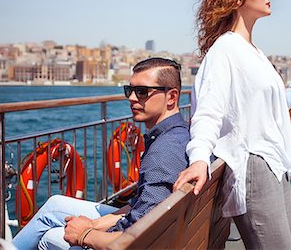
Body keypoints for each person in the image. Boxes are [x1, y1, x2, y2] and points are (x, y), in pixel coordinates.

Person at [173, 0, 291, 249]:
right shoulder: (225, 50)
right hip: (254, 166)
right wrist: (200, 158)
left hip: (276, 166)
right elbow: (208, 110)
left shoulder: (254, 52)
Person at [12, 57, 190, 250]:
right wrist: (93, 224)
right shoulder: (176, 134)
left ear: (171, 97)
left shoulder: (164, 152)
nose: (131, 98)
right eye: (129, 90)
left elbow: (137, 235)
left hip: (131, 241)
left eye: (142, 92)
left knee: (49, 236)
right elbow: (141, 206)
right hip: (153, 233)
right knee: (54, 206)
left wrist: (85, 234)